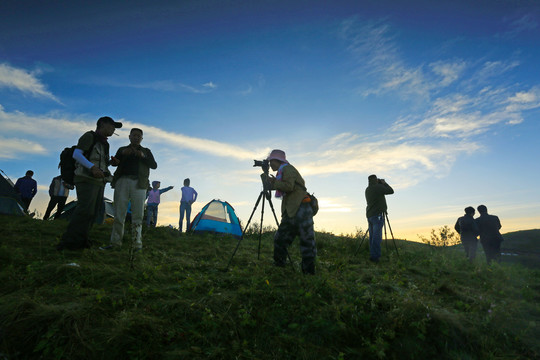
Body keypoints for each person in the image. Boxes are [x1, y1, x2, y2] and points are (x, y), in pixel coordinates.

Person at [57, 116, 122, 251]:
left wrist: (112, 163)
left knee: (92, 212)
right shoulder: (89, 136)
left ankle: (82, 240)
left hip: (99, 181)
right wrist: (92, 167)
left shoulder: (105, 143)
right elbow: (77, 154)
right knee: (84, 210)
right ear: (102, 124)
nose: (113, 129)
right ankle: (69, 242)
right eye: (112, 126)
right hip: (85, 179)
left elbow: (100, 163)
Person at [262, 149, 316, 275]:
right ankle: (279, 265)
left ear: (278, 160)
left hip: (301, 207)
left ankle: (308, 273)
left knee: (306, 241)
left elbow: (289, 186)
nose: (270, 164)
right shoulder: (281, 172)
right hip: (291, 209)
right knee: (280, 239)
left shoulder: (288, 169)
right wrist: (267, 180)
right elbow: (282, 185)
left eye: (271, 161)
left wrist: (274, 183)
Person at [102, 128, 157, 251]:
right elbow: (114, 163)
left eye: (139, 136)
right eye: (134, 135)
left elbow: (154, 165)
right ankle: (115, 243)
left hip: (140, 183)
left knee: (138, 215)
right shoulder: (122, 150)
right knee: (119, 214)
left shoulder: (146, 151)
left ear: (142, 139)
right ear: (129, 137)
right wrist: (115, 161)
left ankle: (136, 245)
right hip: (122, 181)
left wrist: (142, 156)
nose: (136, 137)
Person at [365, 174, 394, 263]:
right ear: (375, 180)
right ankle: (375, 257)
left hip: (370, 215)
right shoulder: (378, 187)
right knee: (377, 237)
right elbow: (391, 191)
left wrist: (380, 184)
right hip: (377, 215)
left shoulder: (367, 189)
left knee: (372, 236)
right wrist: (384, 183)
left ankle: (373, 255)